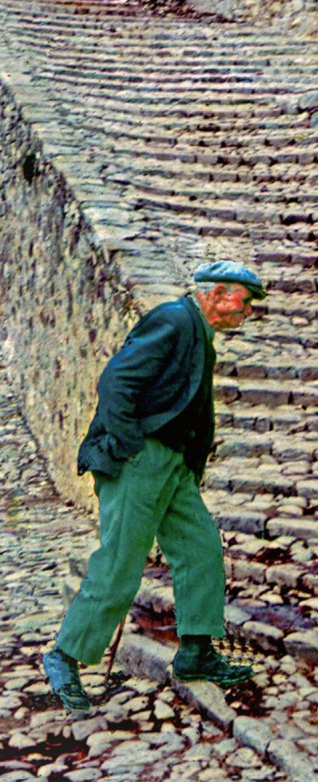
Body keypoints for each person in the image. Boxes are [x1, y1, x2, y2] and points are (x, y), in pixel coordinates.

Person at [43, 260, 267, 711]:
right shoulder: (173, 317)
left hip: (173, 466)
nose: (246, 313)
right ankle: (63, 658)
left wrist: (188, 462)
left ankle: (196, 652)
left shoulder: (199, 331)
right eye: (243, 303)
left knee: (200, 548)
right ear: (218, 294)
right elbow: (116, 382)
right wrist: (130, 446)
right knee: (120, 564)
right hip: (139, 459)